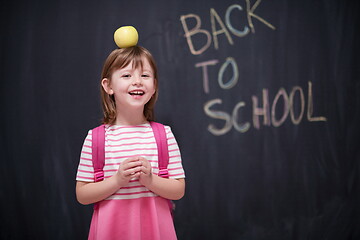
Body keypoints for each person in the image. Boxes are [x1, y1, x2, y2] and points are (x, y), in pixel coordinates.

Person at [75, 45, 186, 240]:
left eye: (145, 75)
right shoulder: (96, 138)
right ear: (108, 86)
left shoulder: (163, 135)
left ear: (154, 86)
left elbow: (178, 190)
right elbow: (83, 195)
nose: (137, 82)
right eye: (126, 76)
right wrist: (117, 180)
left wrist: (150, 180)